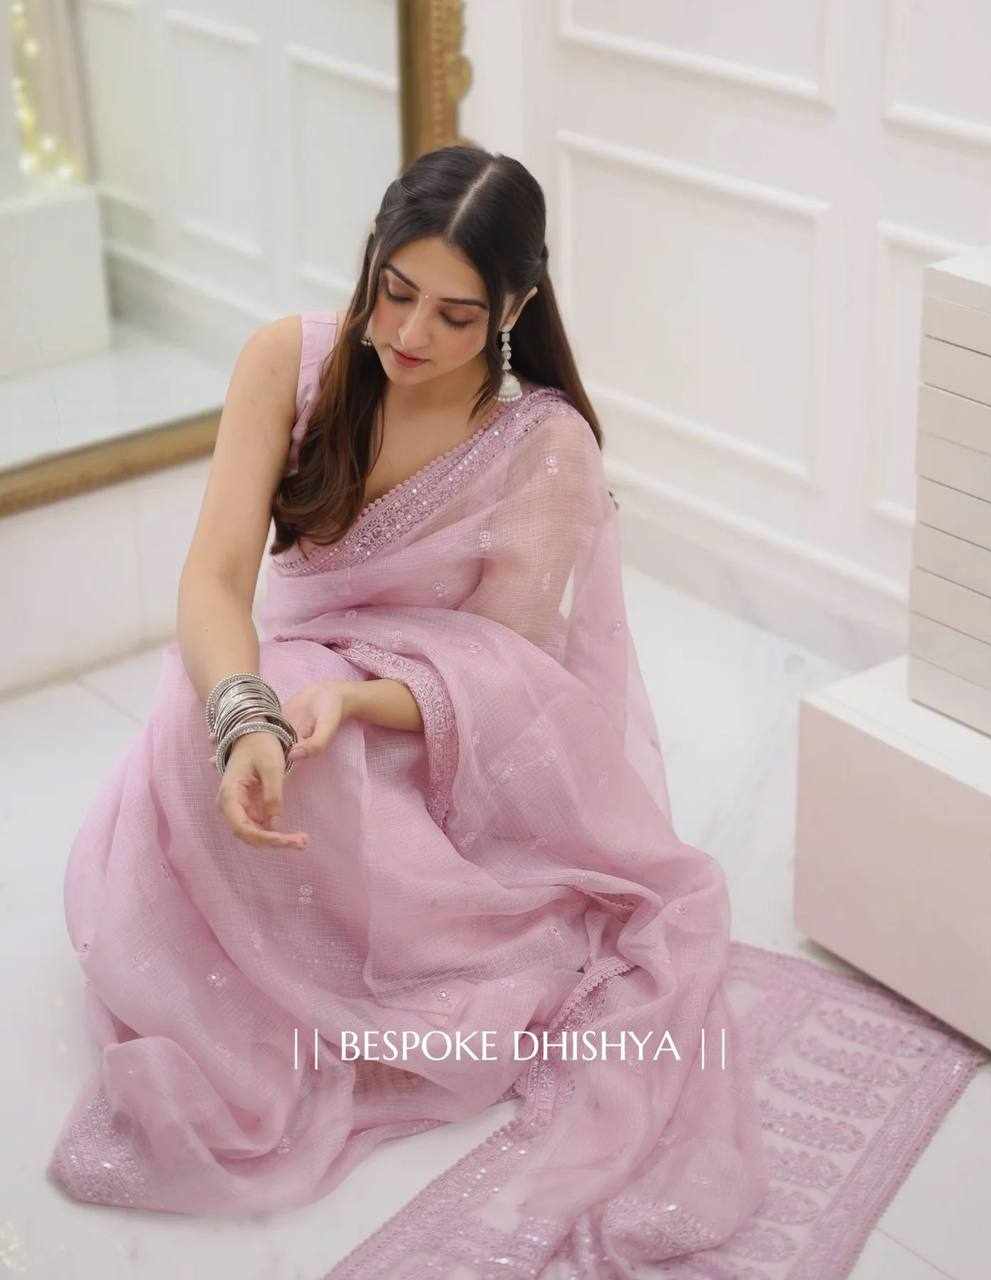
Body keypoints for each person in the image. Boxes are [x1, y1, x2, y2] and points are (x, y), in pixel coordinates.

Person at [47, 144, 769, 1276]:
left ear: (515, 310)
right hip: (282, 679)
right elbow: (215, 578)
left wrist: (354, 699)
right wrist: (244, 713)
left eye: (455, 314)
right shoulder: (289, 361)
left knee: (322, 757)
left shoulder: (545, 447)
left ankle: (377, 958)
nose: (409, 333)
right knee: (210, 721)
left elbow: (505, 670)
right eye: (393, 291)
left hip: (428, 733)